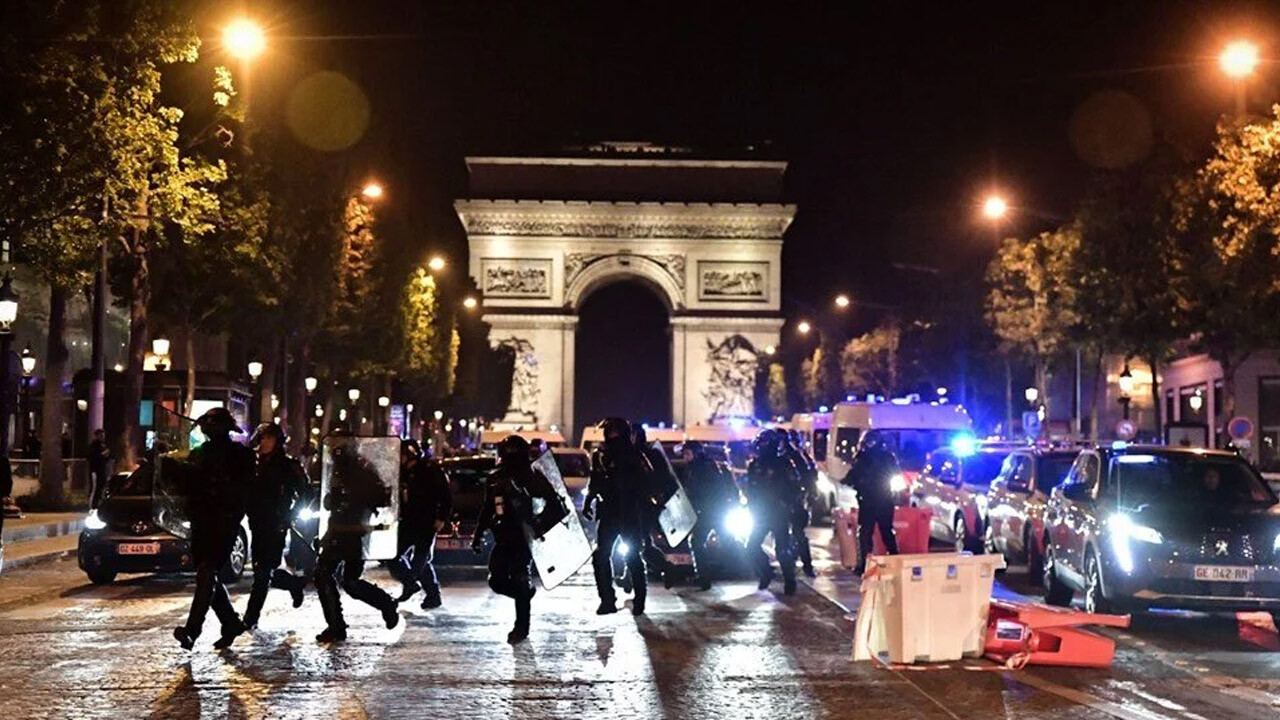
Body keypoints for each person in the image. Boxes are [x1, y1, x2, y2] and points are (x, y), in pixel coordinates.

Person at [173, 408, 256, 650]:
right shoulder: (199, 453)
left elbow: (244, 488)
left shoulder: (241, 455)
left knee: (208, 572)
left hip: (224, 521)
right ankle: (230, 623)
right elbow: (185, 482)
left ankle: (192, 631)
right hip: (201, 520)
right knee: (205, 573)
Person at [471, 435, 563, 644]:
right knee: (497, 581)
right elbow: (488, 508)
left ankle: (521, 627)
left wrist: (538, 524)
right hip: (503, 536)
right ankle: (525, 594)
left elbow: (555, 505)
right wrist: (478, 533)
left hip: (524, 537)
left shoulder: (531, 476)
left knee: (521, 578)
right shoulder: (495, 478)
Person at [314, 442, 401, 643]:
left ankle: (383, 605)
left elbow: (378, 499)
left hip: (353, 531)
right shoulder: (338, 472)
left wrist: (351, 502)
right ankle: (337, 625)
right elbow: (329, 502)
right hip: (337, 529)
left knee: (343, 579)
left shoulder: (362, 472)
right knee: (332, 577)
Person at [241, 423, 308, 631]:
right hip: (257, 523)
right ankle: (294, 584)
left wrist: (289, 515)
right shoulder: (252, 464)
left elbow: (306, 493)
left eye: (269, 438)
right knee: (262, 570)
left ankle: (250, 618)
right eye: (262, 438)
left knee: (263, 573)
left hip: (277, 524)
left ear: (277, 442)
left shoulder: (288, 466)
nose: (264, 443)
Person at [584, 418, 654, 615]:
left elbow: (647, 484)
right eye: (608, 432)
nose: (610, 435)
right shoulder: (600, 455)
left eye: (613, 431)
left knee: (633, 557)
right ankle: (607, 600)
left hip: (629, 512)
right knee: (600, 557)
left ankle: (639, 600)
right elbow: (595, 480)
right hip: (608, 512)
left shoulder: (635, 456)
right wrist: (589, 500)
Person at [391, 439, 452, 610]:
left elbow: (445, 496)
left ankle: (432, 595)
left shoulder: (430, 470)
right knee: (392, 556)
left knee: (420, 559)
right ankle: (411, 584)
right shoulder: (400, 472)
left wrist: (441, 518)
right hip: (407, 521)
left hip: (427, 521)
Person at [743, 429, 802, 595]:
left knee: (782, 549)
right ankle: (766, 572)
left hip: (778, 512)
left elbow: (795, 487)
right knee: (751, 547)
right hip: (760, 513)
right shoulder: (755, 465)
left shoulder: (783, 464)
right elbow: (751, 488)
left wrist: (787, 505)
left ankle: (790, 581)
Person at [679, 441, 739, 590]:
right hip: (710, 511)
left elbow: (706, 491)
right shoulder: (699, 467)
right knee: (701, 541)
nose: (685, 457)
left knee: (721, 541)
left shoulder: (703, 468)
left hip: (711, 511)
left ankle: (713, 573)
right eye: (684, 454)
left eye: (687, 454)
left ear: (696, 453)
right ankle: (705, 576)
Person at [846, 432, 901, 575]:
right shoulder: (886, 457)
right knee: (883, 531)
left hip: (872, 500)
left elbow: (852, 477)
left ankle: (865, 564)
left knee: (868, 532)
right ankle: (893, 559)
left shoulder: (865, 458)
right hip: (881, 500)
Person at [783, 429, 818, 578]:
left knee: (797, 534)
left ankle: (806, 566)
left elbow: (809, 476)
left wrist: (809, 495)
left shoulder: (797, 457)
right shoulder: (793, 456)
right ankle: (794, 564)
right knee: (790, 535)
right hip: (781, 501)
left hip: (795, 500)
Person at [86, 429, 112, 509]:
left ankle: (98, 505)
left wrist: (107, 456)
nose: (102, 437)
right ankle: (92, 506)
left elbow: (105, 459)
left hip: (102, 470)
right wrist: (102, 455)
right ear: (97, 436)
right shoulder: (93, 445)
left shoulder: (102, 445)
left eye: (103, 436)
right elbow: (91, 457)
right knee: (95, 488)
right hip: (95, 471)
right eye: (101, 436)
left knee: (101, 488)